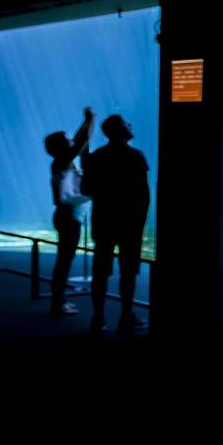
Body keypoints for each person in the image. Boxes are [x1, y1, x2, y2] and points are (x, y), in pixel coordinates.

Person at [81, 114, 150, 334]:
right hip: (130, 223)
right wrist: (140, 222)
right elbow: (143, 195)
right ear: (121, 130)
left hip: (103, 220)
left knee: (100, 271)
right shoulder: (136, 156)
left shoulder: (96, 157)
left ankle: (98, 317)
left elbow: (86, 190)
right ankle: (126, 316)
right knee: (128, 273)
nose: (130, 124)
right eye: (126, 123)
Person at [43, 107, 94, 318]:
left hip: (68, 217)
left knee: (64, 261)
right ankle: (57, 305)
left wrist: (84, 123)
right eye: (67, 139)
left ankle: (59, 302)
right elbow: (81, 142)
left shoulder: (63, 161)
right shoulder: (61, 161)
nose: (71, 140)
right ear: (62, 147)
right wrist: (91, 121)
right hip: (69, 218)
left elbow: (79, 141)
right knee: (64, 262)